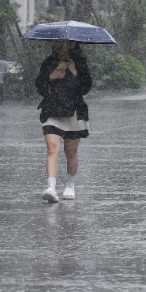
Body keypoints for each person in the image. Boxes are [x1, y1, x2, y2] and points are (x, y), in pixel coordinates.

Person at [35, 39, 92, 203]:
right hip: (52, 111)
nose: (60, 47)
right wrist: (50, 77)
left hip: (74, 111)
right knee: (53, 149)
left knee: (71, 151)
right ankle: (51, 188)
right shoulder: (49, 62)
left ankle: (70, 185)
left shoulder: (79, 63)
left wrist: (74, 73)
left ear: (70, 45)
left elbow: (86, 87)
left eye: (63, 44)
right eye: (57, 44)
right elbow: (39, 86)